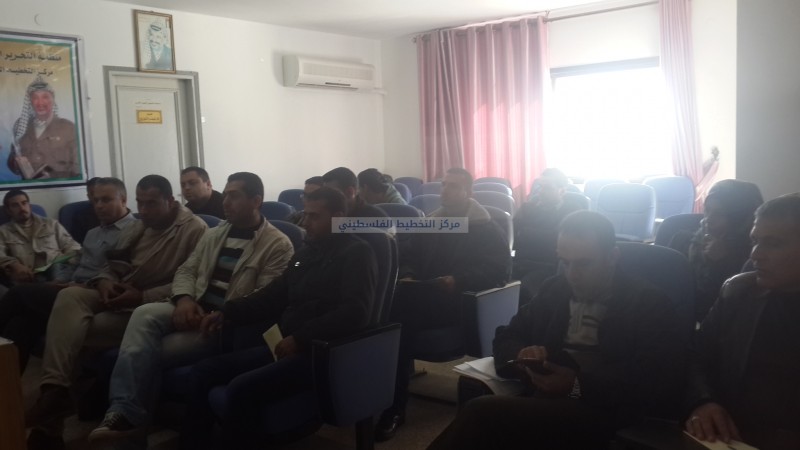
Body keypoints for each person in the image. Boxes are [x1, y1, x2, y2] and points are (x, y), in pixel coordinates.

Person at [428, 211, 684, 450]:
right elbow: (507, 335)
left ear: (612, 257)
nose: (572, 275)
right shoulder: (555, 288)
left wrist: (576, 385)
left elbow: (652, 384)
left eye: (583, 264)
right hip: (548, 396)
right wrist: (522, 355)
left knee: (482, 414)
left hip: (605, 408)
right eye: (565, 262)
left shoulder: (649, 303)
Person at [87, 172, 295, 445]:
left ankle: (129, 423)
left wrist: (219, 314)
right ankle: (126, 416)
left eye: (234, 196)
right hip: (194, 304)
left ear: (256, 201)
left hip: (221, 323)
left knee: (145, 354)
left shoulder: (278, 245)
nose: (225, 202)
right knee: (143, 314)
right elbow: (187, 270)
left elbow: (264, 298)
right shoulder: (215, 233)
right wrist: (184, 299)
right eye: (226, 194)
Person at [178, 186, 377, 450]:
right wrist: (228, 311)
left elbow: (355, 312)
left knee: (241, 388)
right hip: (284, 345)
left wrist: (301, 338)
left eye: (314, 216)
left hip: (321, 353)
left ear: (338, 217)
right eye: (305, 214)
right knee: (204, 370)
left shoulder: (357, 253)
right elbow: (274, 295)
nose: (306, 223)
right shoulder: (305, 254)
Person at [24, 175, 207, 449]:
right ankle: (54, 390)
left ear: (170, 201)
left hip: (152, 303)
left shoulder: (194, 229)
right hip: (121, 294)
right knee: (69, 296)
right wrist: (105, 282)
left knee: (70, 330)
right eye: (140, 203)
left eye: (151, 204)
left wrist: (142, 296)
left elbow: (192, 280)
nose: (143, 211)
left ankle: (50, 423)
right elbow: (111, 264)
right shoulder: (139, 226)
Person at [377, 167, 512, 441]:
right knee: (388, 307)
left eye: (453, 186)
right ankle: (378, 394)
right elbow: (409, 255)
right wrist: (409, 274)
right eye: (444, 185)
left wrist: (458, 280)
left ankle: (394, 407)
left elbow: (498, 272)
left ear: (468, 192)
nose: (445, 191)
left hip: (459, 302)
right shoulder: (433, 222)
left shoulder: (485, 227)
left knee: (397, 318)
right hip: (425, 294)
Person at [684, 194, 800, 450]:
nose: (756, 255)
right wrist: (703, 401)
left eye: (773, 244)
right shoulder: (738, 293)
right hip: (731, 434)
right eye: (755, 241)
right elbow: (696, 354)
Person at [0, 177, 134, 372]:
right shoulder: (93, 233)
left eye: (106, 200)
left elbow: (114, 273)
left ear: (123, 200)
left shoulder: (134, 231)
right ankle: (8, 387)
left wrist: (74, 283)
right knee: (21, 324)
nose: (98, 206)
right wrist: (60, 280)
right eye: (95, 200)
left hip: (87, 293)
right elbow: (77, 261)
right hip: (65, 284)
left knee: (18, 295)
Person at [669, 179, 763, 322]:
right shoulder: (682, 241)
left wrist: (720, 264)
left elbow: (721, 308)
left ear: (740, 219)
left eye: (719, 214)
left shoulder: (756, 255)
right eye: (707, 210)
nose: (708, 219)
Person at [513, 168, 586, 301]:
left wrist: (525, 233)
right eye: (540, 187)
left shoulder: (573, 210)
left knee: (523, 291)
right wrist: (532, 235)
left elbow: (557, 240)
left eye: (547, 188)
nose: (540, 191)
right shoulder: (528, 207)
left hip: (549, 265)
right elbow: (513, 237)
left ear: (562, 191)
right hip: (519, 263)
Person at [0, 189, 80, 287]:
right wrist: (13, 265)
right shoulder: (3, 232)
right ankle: (52, 287)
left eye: (24, 203)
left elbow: (71, 246)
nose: (22, 208)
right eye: (15, 205)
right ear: (8, 210)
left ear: (29, 205)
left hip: (57, 270)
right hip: (30, 276)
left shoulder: (51, 224)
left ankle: (55, 285)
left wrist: (71, 261)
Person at [7, 76, 79, 179]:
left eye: (45, 97)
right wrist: (16, 163)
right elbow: (12, 161)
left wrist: (52, 177)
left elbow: (78, 168)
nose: (40, 103)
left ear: (53, 100)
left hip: (58, 187)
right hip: (29, 187)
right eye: (35, 98)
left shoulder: (68, 128)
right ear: (30, 101)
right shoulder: (20, 126)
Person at [322, 167, 389, 218]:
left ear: (350, 192)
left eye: (331, 194)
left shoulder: (374, 217)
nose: (325, 199)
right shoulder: (329, 214)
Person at [68, 177, 102, 244]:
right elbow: (77, 242)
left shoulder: (114, 212)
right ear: (88, 196)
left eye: (100, 192)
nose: (96, 196)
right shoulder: (80, 216)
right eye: (92, 193)